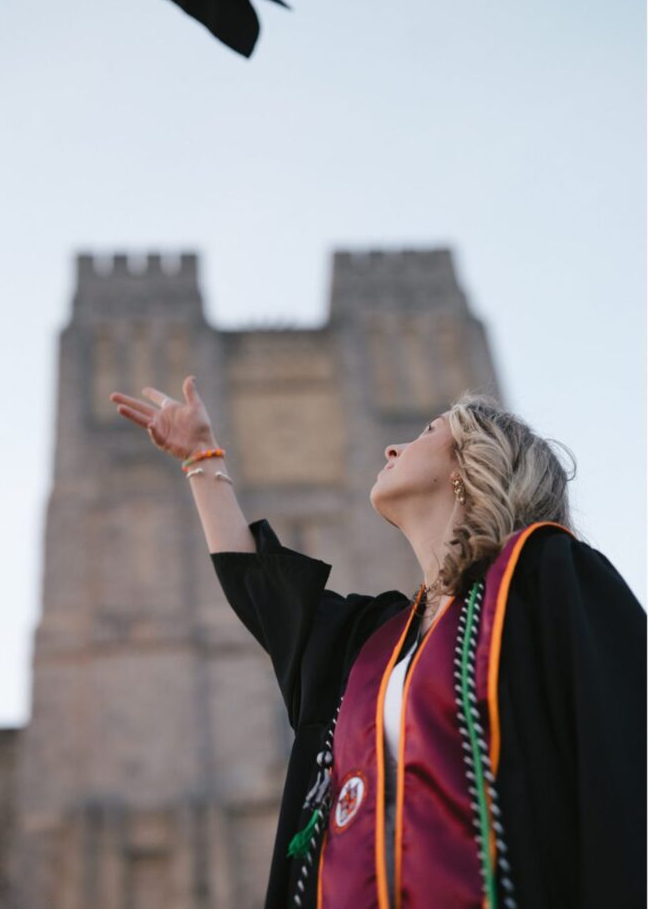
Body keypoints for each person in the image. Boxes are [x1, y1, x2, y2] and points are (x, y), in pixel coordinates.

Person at [110, 376, 646, 909]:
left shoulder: (544, 581)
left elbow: (623, 771)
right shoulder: (372, 642)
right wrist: (201, 457)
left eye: (428, 432)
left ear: (472, 463)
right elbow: (263, 588)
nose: (392, 446)